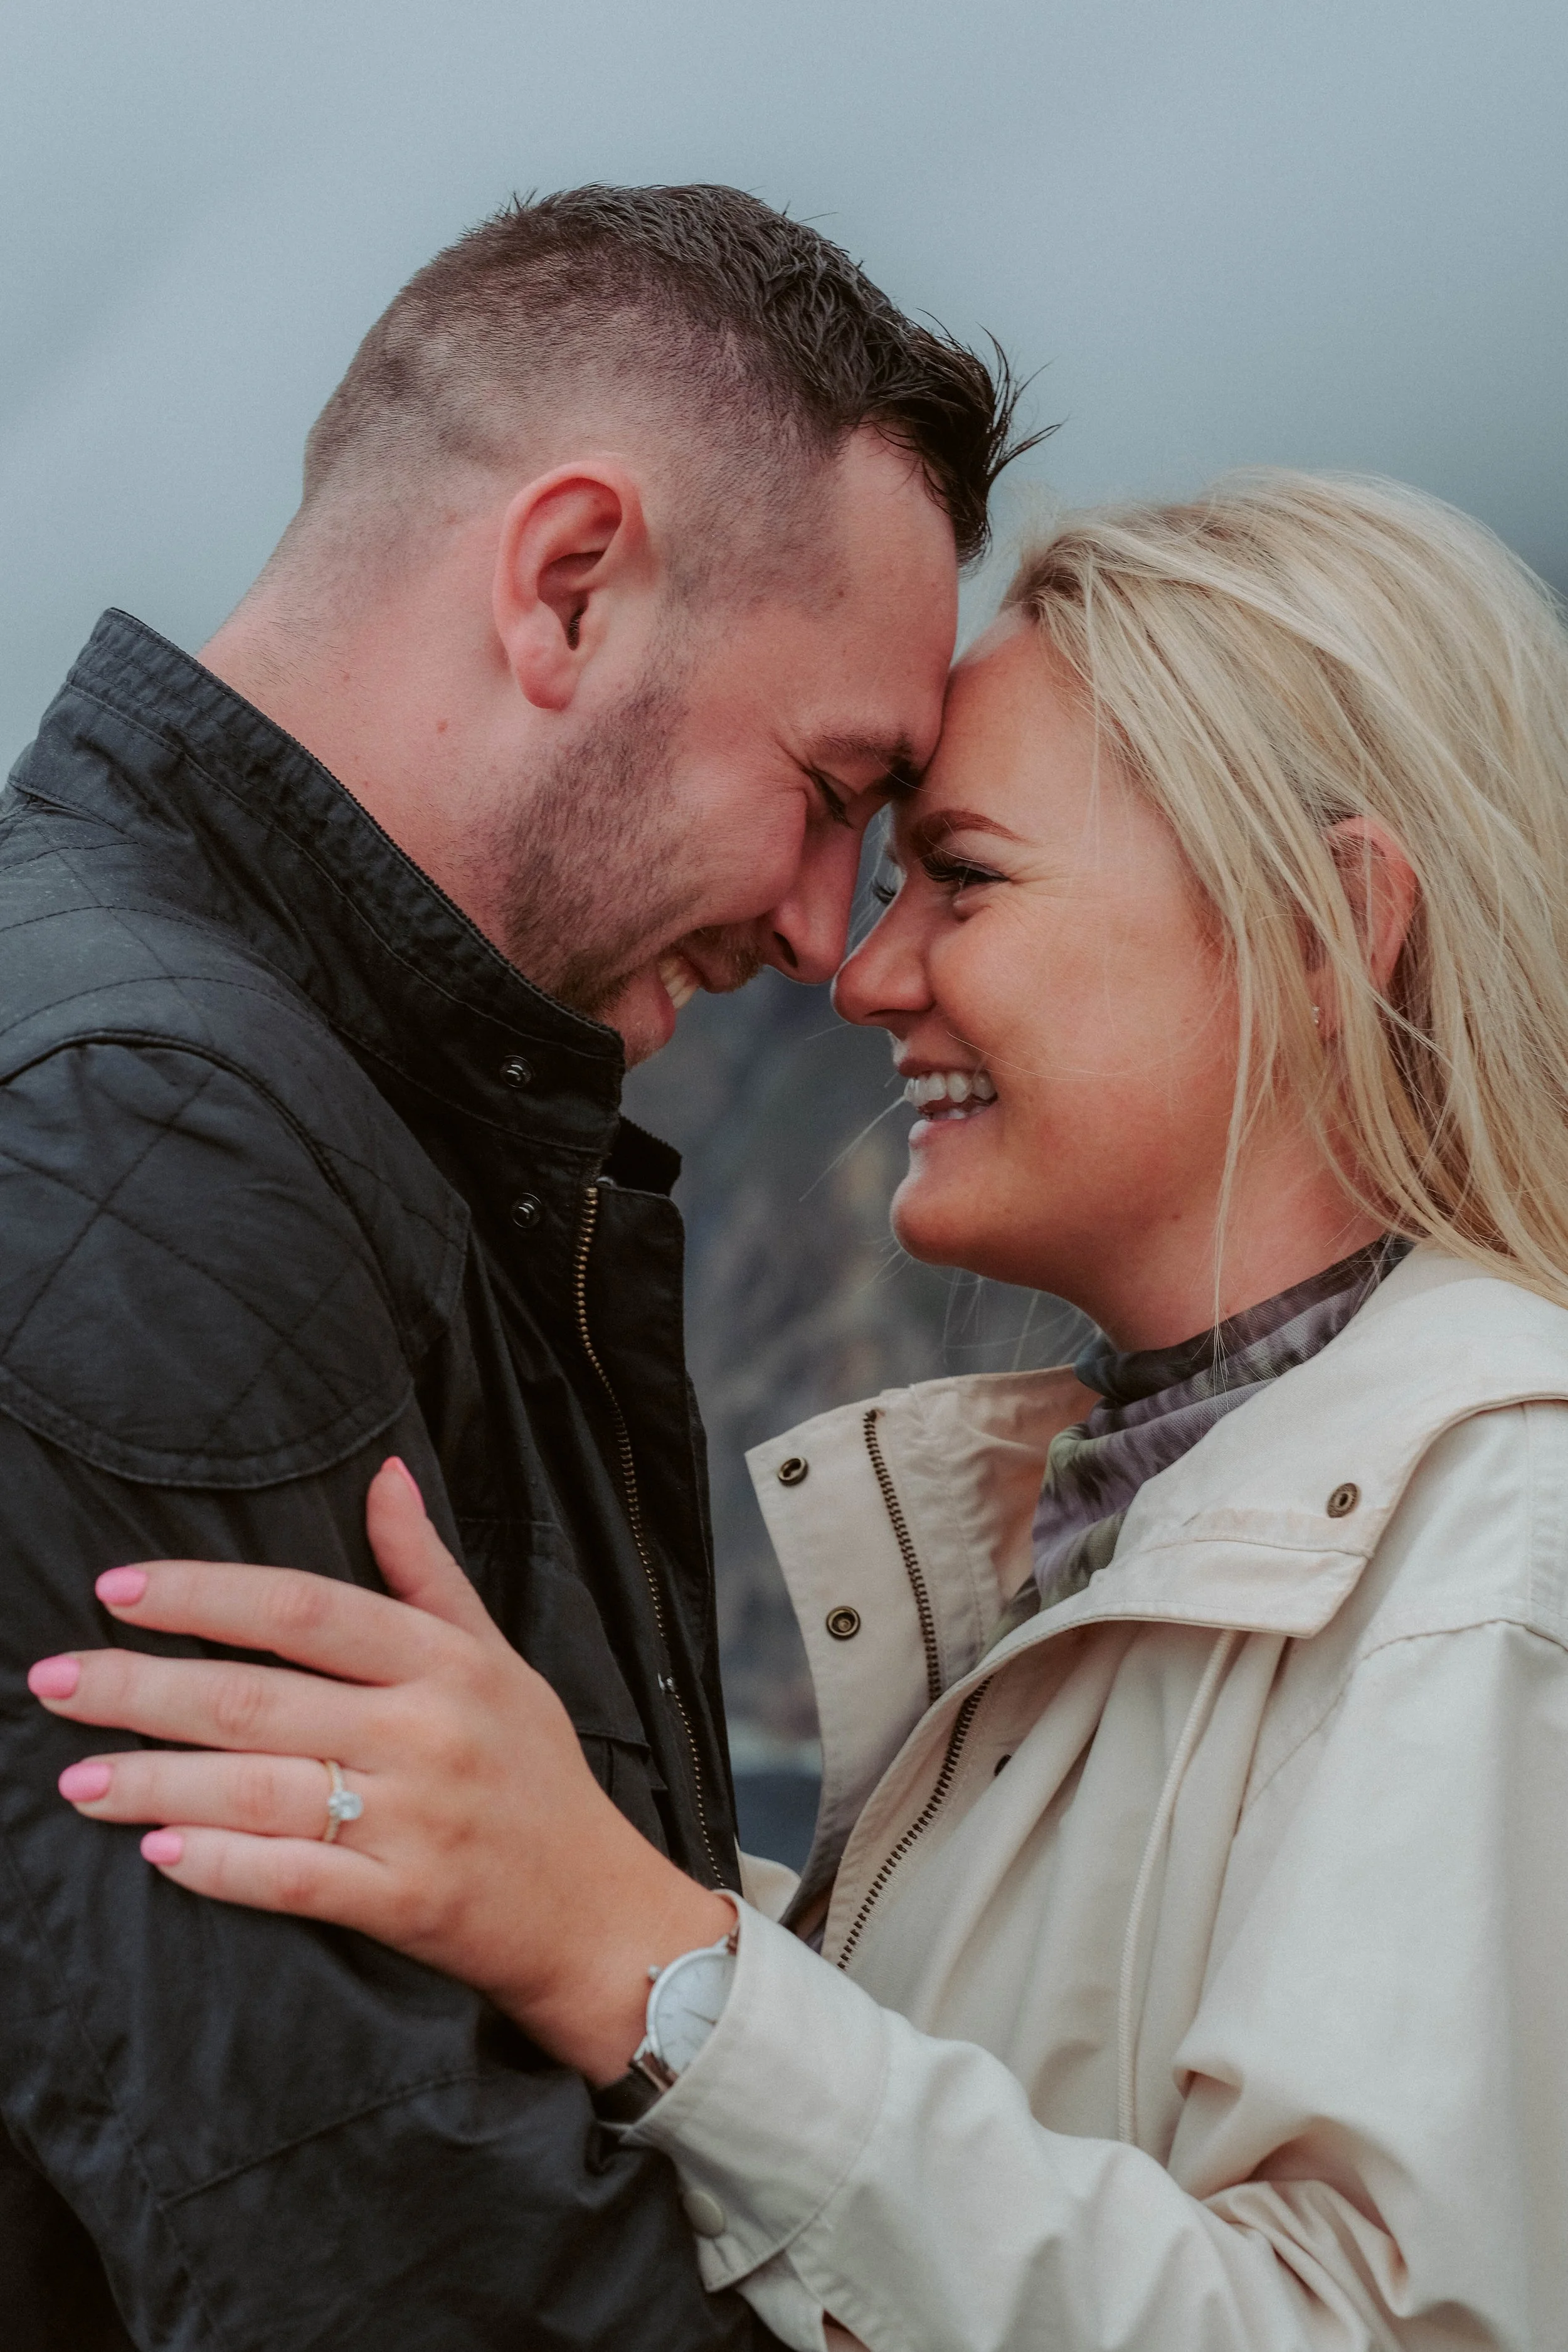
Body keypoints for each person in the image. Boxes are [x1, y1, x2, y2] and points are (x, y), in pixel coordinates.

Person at [38, 470, 1568, 2351]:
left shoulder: (1500, 1538)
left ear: (1331, 925)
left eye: (965, 875)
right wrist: (518, 1837)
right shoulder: (1155, 1506)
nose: (863, 970)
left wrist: (647, 1956)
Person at [0, 183, 1025, 2350]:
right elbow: (379, 2250)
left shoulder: (312, 1105)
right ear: (568, 587)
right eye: (832, 786)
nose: (828, 928)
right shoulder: (146, 1143)